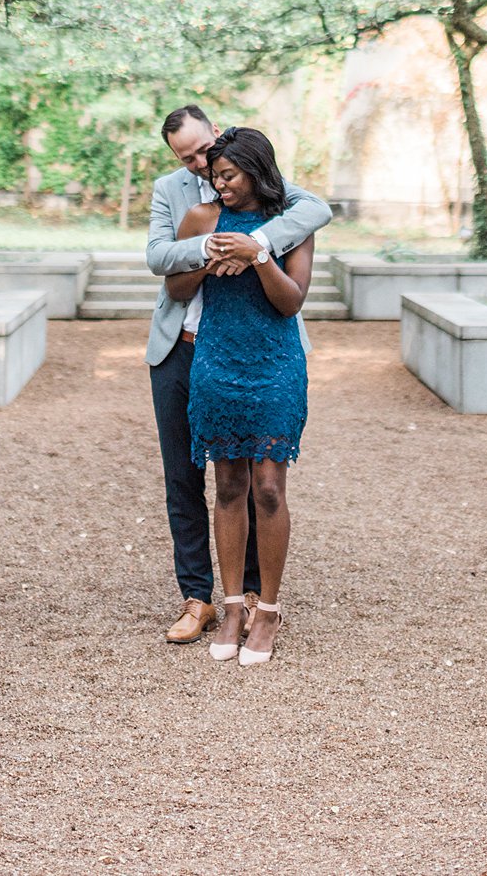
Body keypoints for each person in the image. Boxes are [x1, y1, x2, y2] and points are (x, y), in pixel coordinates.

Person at [146, 105, 331, 647]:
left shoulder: (287, 207)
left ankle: (258, 602)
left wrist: (258, 251)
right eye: (194, 161)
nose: (208, 170)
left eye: (215, 157)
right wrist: (208, 253)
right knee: (195, 479)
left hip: (270, 358)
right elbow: (165, 268)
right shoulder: (186, 203)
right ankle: (203, 599)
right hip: (196, 353)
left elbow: (292, 292)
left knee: (265, 487)